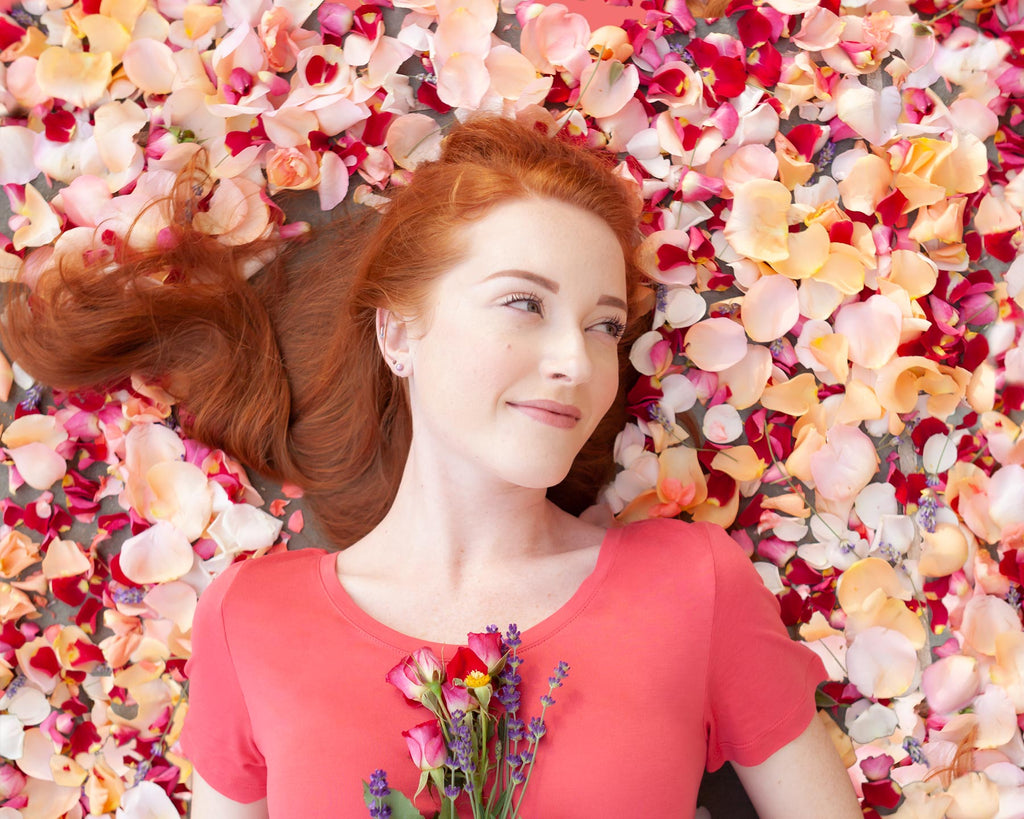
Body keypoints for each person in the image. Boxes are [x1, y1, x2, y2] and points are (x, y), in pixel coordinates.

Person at [1, 116, 862, 818]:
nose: (577, 360)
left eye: (604, 326)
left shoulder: (691, 583)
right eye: (523, 303)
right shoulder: (251, 617)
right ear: (400, 332)